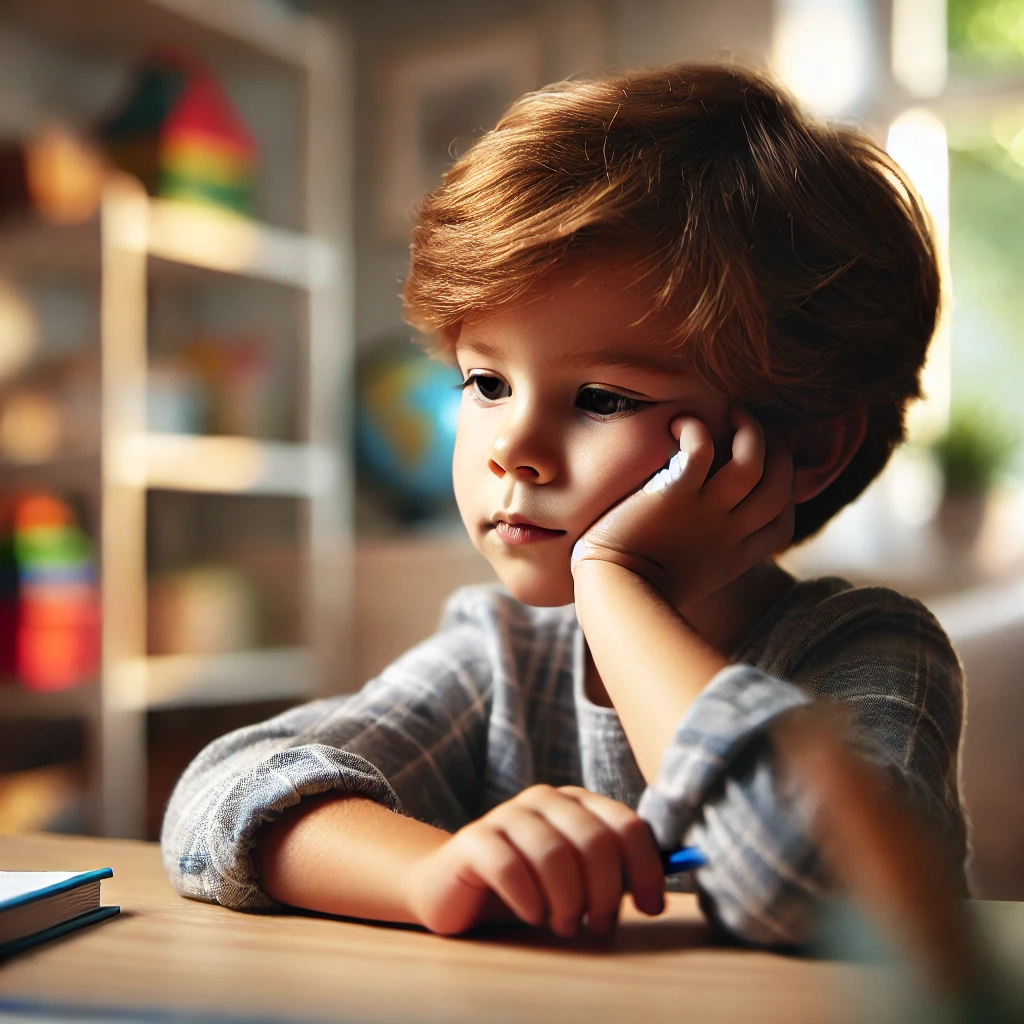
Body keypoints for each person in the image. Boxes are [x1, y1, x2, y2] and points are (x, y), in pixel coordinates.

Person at [161, 62, 966, 947]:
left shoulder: (870, 650)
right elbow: (218, 795)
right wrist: (434, 873)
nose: (512, 447)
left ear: (806, 445)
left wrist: (616, 579)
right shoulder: (505, 658)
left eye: (603, 398)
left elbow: (821, 885)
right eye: (487, 381)